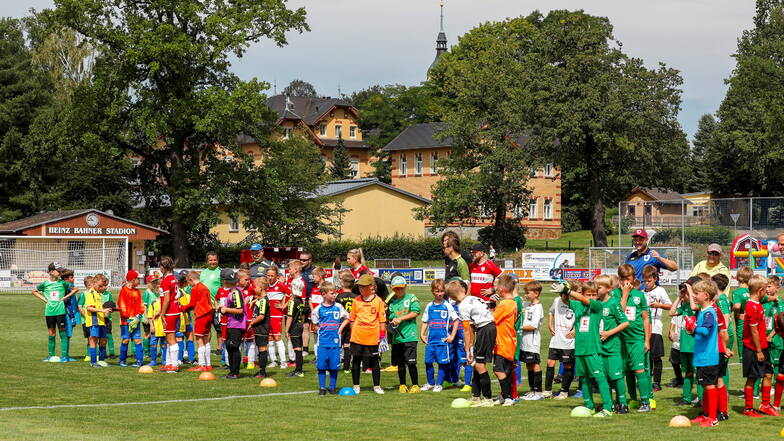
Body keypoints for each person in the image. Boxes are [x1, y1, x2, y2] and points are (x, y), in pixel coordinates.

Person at [557, 280, 614, 417]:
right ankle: (590, 406)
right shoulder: (577, 305)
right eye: (589, 294)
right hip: (580, 349)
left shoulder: (597, 306)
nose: (592, 297)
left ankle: (608, 408)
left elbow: (583, 299)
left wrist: (569, 291)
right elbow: (565, 301)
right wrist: (563, 292)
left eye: (594, 294)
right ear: (583, 293)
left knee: (600, 378)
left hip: (593, 348)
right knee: (584, 379)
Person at [447, 279, 495, 407]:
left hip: (485, 329)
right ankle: (475, 396)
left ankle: (488, 398)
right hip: (486, 328)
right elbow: (472, 327)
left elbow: (467, 330)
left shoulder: (462, 306)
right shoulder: (472, 298)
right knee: (475, 365)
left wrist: (467, 349)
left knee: (479, 365)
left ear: (452, 297)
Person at [615, 264, 653, 412]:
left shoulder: (639, 296)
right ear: (619, 279)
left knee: (638, 370)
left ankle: (646, 402)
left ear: (633, 278)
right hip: (620, 340)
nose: (626, 283)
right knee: (626, 371)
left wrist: (647, 340)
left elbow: (645, 319)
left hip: (636, 339)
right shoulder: (614, 295)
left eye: (628, 279)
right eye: (623, 279)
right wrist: (624, 294)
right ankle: (632, 399)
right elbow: (619, 313)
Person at [742, 275, 778, 416]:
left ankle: (765, 404)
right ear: (761, 290)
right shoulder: (752, 307)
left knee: (768, 374)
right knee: (752, 377)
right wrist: (758, 351)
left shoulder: (758, 303)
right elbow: (754, 331)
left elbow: (766, 299)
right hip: (753, 349)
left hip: (763, 346)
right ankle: (748, 408)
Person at [594, 275, 630, 413]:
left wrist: (609, 333)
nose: (596, 290)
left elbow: (625, 323)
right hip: (599, 347)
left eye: (599, 287)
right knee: (604, 376)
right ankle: (608, 403)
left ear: (608, 289)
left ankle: (622, 403)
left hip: (613, 347)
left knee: (616, 376)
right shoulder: (596, 304)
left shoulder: (614, 303)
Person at [688, 280, 721, 427]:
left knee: (709, 386)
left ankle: (713, 418)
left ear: (706, 295)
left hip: (708, 357)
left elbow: (706, 331)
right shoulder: (703, 311)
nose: (694, 296)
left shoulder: (709, 312)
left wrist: (694, 327)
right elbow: (700, 334)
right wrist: (692, 330)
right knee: (705, 386)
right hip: (701, 356)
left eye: (696, 293)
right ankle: (705, 414)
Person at [349, 274, 387, 395]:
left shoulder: (378, 301)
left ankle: (377, 386)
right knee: (356, 361)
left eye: (364, 286)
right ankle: (356, 385)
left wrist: (382, 338)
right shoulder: (356, 301)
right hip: (357, 337)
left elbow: (382, 321)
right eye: (360, 287)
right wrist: (353, 334)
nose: (361, 289)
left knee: (375, 362)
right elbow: (352, 319)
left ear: (371, 287)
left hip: (373, 337)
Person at [32, 263, 77, 362]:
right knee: (51, 333)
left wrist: (65, 297)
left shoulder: (63, 283)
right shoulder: (45, 284)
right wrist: (44, 299)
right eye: (59, 271)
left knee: (62, 333)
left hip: (60, 311)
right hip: (49, 312)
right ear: (52, 272)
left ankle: (64, 356)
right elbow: (34, 291)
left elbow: (75, 289)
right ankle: (50, 356)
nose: (61, 272)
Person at [311, 281, 350, 395]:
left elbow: (347, 318)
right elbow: (316, 324)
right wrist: (321, 331)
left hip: (335, 343)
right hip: (322, 343)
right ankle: (322, 387)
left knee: (334, 367)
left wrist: (340, 328)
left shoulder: (338, 307)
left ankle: (332, 387)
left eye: (335, 293)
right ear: (323, 294)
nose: (334, 295)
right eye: (332, 293)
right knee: (321, 367)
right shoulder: (318, 309)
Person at [420, 279, 459, 392]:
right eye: (437, 291)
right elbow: (425, 321)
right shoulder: (429, 306)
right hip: (431, 341)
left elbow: (456, 320)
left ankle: (439, 384)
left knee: (442, 363)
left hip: (443, 341)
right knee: (428, 362)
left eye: (442, 291)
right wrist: (422, 334)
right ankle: (430, 383)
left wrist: (452, 335)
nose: (440, 293)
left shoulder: (447, 305)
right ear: (433, 291)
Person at [670, 276, 702, 406]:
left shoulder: (699, 305)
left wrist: (690, 292)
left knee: (699, 372)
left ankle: (701, 398)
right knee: (688, 371)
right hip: (685, 344)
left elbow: (695, 308)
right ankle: (686, 397)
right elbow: (671, 313)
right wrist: (679, 296)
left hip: (695, 344)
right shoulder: (685, 305)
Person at [387, 276, 422, 394]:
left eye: (401, 288)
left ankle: (415, 385)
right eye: (396, 289)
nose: (399, 291)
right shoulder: (393, 303)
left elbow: (416, 312)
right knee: (400, 364)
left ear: (405, 286)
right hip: (397, 339)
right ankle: (402, 384)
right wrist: (392, 320)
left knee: (411, 363)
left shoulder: (411, 298)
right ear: (392, 289)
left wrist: (400, 318)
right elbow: (391, 316)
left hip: (410, 336)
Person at [544, 280, 576, 400]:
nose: (564, 297)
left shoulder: (575, 304)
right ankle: (547, 390)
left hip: (568, 341)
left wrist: (575, 330)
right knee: (550, 363)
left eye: (566, 294)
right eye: (562, 294)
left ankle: (564, 391)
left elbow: (583, 317)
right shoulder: (556, 301)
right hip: (556, 339)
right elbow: (551, 312)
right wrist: (550, 325)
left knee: (567, 365)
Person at [642, 265, 672, 391]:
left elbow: (670, 305)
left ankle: (657, 383)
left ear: (655, 278)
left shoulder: (660, 291)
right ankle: (647, 380)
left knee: (656, 356)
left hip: (655, 327)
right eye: (645, 281)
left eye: (649, 281)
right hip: (643, 328)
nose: (647, 283)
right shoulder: (642, 293)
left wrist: (659, 305)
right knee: (646, 356)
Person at [492, 275, 519, 406]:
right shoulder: (513, 303)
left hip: (503, 342)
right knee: (506, 371)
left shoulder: (505, 304)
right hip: (509, 341)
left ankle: (508, 397)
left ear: (502, 289)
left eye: (497, 287)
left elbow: (492, 318)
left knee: (498, 370)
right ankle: (505, 395)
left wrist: (491, 306)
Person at [182, 271, 214, 371]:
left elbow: (192, 304)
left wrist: (182, 308)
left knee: (199, 339)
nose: (189, 285)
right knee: (206, 339)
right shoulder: (204, 286)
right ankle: (208, 364)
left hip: (201, 314)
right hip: (209, 313)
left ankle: (201, 365)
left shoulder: (195, 288)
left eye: (189, 282)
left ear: (191, 279)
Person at [155, 256, 180, 372]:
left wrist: (162, 314)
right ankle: (169, 363)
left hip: (170, 312)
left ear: (164, 267)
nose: (159, 268)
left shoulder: (165, 280)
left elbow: (167, 299)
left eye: (160, 266)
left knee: (171, 338)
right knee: (168, 337)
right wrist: (160, 311)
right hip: (173, 310)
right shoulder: (173, 279)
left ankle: (174, 365)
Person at [219, 268, 246, 379]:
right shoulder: (232, 292)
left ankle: (235, 372)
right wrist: (222, 308)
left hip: (237, 324)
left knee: (234, 347)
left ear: (225, 281)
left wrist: (226, 310)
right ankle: (231, 371)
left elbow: (240, 310)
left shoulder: (235, 293)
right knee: (229, 347)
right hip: (232, 323)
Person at [520, 281, 544, 401]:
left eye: (527, 293)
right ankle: (532, 390)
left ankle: (538, 392)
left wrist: (518, 327)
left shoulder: (538, 308)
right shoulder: (527, 305)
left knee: (535, 364)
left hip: (532, 342)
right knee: (529, 365)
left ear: (536, 293)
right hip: (524, 342)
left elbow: (533, 326)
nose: (525, 295)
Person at [117, 270, 145, 367]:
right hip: (126, 322)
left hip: (136, 321)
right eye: (138, 279)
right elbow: (122, 305)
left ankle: (139, 361)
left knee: (137, 340)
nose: (140, 281)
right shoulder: (124, 291)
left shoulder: (137, 292)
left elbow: (142, 305)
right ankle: (122, 360)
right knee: (125, 340)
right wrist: (129, 318)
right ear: (133, 280)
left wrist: (138, 317)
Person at [266, 265, 291, 369]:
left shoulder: (280, 285)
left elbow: (291, 295)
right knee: (270, 338)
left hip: (277, 315)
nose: (270, 277)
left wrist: (283, 306)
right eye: (268, 275)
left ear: (277, 276)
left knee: (278, 338)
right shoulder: (265, 286)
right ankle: (273, 361)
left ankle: (283, 362)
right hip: (267, 316)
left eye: (272, 275)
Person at [84, 274, 112, 368]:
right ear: (94, 282)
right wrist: (103, 310)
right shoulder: (90, 293)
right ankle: (93, 361)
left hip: (101, 320)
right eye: (100, 286)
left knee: (104, 340)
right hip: (93, 321)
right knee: (94, 340)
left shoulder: (98, 294)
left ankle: (101, 361)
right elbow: (89, 308)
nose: (101, 288)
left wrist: (106, 312)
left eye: (103, 286)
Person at [199, 251, 222, 355]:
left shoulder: (221, 272)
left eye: (215, 260)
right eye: (210, 260)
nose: (213, 262)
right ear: (207, 261)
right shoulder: (203, 273)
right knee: (206, 329)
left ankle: (220, 348)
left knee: (219, 329)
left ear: (218, 260)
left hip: (217, 306)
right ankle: (206, 347)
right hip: (205, 306)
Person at [247, 278, 271, 379]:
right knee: (260, 348)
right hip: (259, 328)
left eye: (256, 287)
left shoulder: (263, 301)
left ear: (261, 288)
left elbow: (261, 316)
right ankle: (261, 371)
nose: (254, 288)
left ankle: (262, 372)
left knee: (262, 349)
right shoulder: (261, 300)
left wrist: (251, 324)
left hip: (262, 328)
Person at [285, 279, 307, 377]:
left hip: (294, 327)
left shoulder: (292, 302)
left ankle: (299, 371)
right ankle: (298, 369)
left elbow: (290, 317)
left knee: (297, 349)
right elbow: (303, 316)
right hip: (299, 325)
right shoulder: (301, 301)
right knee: (299, 349)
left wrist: (286, 330)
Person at [733, 266, 755, 363]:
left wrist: (737, 314)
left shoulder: (737, 292)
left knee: (742, 340)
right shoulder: (752, 291)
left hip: (742, 321)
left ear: (737, 277)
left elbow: (737, 306)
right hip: (752, 319)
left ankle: (743, 359)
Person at [142, 274, 160, 360]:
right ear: (148, 283)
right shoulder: (146, 293)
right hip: (147, 317)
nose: (154, 284)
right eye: (152, 283)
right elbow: (144, 306)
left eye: (155, 282)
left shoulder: (156, 293)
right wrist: (145, 317)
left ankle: (153, 350)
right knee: (148, 334)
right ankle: (146, 352)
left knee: (154, 333)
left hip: (154, 317)